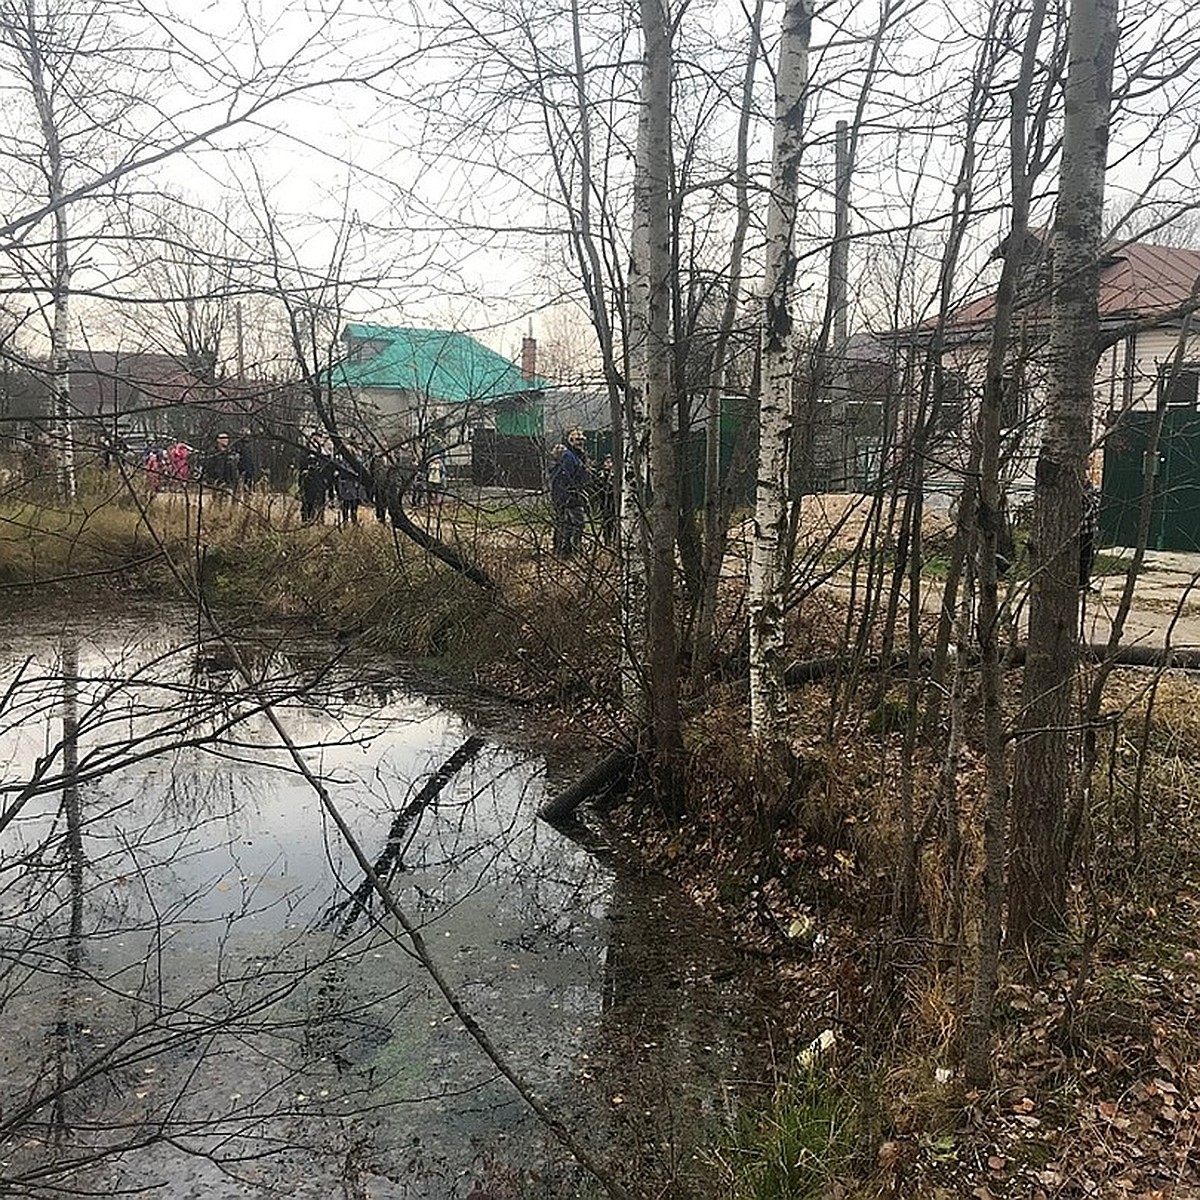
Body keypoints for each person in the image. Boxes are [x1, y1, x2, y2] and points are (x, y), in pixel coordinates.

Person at [549, 429, 588, 556]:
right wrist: (565, 498)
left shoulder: (578, 456)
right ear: (570, 440)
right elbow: (560, 479)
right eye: (577, 439)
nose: (580, 442)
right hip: (568, 498)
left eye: (582, 439)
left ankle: (568, 551)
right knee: (571, 525)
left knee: (572, 524)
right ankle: (567, 553)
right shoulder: (568, 456)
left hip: (574, 496)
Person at [298, 436, 334, 524]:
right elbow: (301, 471)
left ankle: (319, 520)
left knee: (319, 503)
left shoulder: (322, 457)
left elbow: (327, 473)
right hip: (307, 484)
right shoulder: (304, 456)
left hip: (318, 484)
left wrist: (328, 487)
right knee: (307, 504)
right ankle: (306, 520)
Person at [202, 431, 240, 495]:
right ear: (218, 440)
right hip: (217, 482)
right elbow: (209, 467)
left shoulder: (232, 453)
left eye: (226, 438)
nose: (225, 440)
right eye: (223, 438)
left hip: (229, 483)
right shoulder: (213, 453)